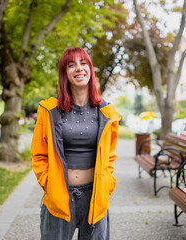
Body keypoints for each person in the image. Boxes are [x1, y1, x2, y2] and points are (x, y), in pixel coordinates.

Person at [31, 47, 121, 240]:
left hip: (95, 196)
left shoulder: (107, 112)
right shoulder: (49, 110)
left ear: (90, 69)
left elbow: (110, 155)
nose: (79, 68)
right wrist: (49, 184)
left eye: (83, 63)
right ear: (65, 74)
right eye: (71, 65)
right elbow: (38, 154)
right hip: (59, 198)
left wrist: (107, 184)